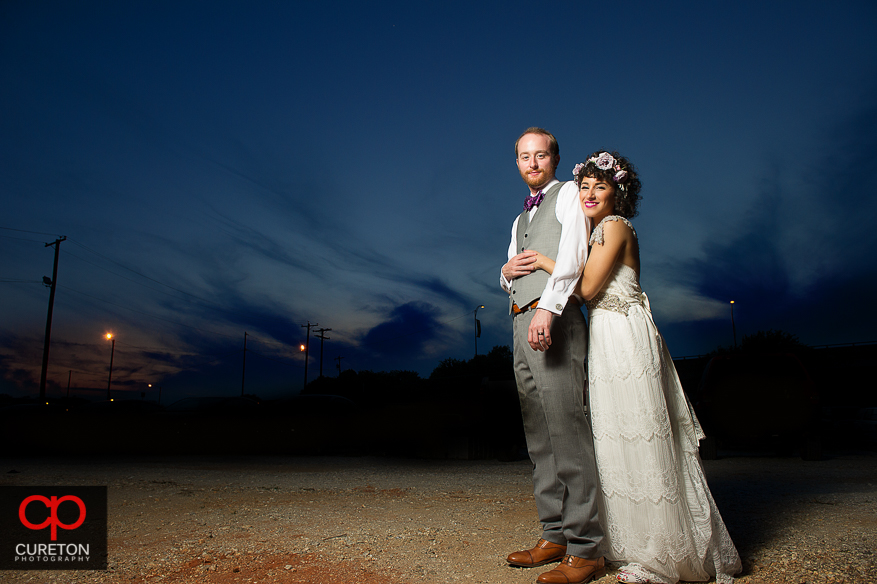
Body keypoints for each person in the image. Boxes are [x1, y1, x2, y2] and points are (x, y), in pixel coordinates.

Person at [529, 151, 742, 584]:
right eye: (584, 186)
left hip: (625, 337)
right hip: (607, 338)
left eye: (599, 186)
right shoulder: (596, 231)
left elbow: (587, 289)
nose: (589, 194)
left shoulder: (613, 227)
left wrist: (544, 261)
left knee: (640, 434)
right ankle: (623, 544)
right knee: (612, 438)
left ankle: (659, 555)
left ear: (617, 193)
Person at [501, 128, 605, 584]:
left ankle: (586, 548)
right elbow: (513, 269)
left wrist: (547, 308)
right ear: (517, 162)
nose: (532, 163)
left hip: (553, 316)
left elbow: (573, 254)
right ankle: (554, 533)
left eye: (540, 155)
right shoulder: (519, 218)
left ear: (555, 159)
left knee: (567, 430)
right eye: (525, 156)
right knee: (539, 434)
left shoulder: (567, 197)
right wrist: (504, 274)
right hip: (521, 321)